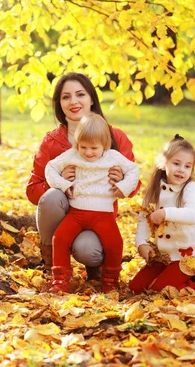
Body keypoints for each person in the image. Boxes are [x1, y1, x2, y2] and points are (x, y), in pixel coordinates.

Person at [26, 73, 141, 280]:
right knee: (52, 197)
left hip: (97, 214)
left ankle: (96, 268)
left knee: (90, 251)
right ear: (59, 104)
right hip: (62, 216)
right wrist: (59, 181)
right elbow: (33, 192)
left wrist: (121, 180)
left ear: (91, 99)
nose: (74, 102)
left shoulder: (115, 137)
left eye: (80, 94)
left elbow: (134, 185)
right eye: (66, 97)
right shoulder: (52, 142)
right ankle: (51, 265)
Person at [45, 114, 140, 293]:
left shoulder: (112, 156)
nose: (88, 153)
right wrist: (63, 185)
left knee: (115, 244)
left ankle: (110, 281)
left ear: (104, 144)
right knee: (60, 238)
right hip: (76, 212)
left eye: (94, 148)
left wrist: (123, 187)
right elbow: (50, 167)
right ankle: (60, 280)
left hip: (102, 214)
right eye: (83, 147)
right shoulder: (72, 155)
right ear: (77, 144)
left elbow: (134, 170)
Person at [129, 134, 195, 294]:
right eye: (176, 163)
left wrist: (165, 213)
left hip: (187, 256)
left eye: (187, 166)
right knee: (135, 288)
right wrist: (141, 242)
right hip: (164, 255)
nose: (181, 170)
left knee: (160, 291)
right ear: (164, 164)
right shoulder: (154, 191)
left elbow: (193, 214)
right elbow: (144, 218)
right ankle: (178, 278)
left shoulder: (189, 188)